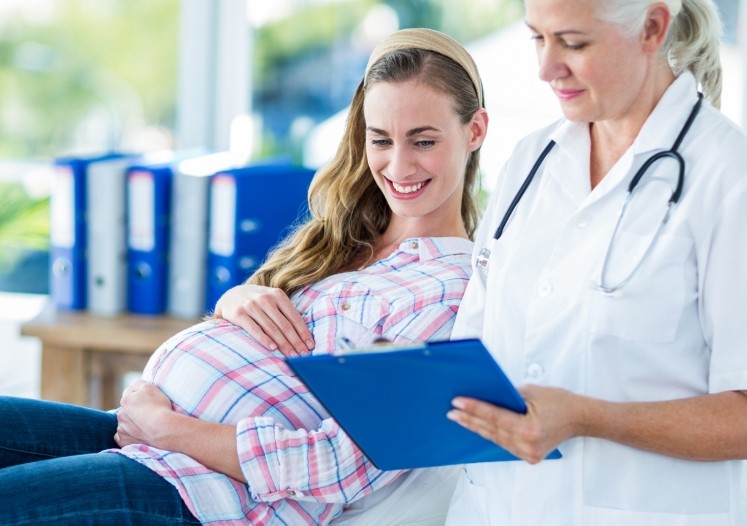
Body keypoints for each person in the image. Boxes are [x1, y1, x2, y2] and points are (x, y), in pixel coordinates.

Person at [0, 28, 488, 525]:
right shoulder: (343, 241)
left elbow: (341, 467)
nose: (398, 165)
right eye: (380, 140)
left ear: (474, 131)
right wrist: (235, 299)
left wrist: (165, 427)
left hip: (204, 491)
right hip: (146, 440)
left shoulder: (453, 295)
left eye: (423, 141)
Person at [438, 0, 747, 524]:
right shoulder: (530, 162)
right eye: (537, 38)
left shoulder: (727, 175)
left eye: (574, 43)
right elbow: (477, 344)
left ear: (652, 28)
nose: (546, 69)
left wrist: (589, 418)